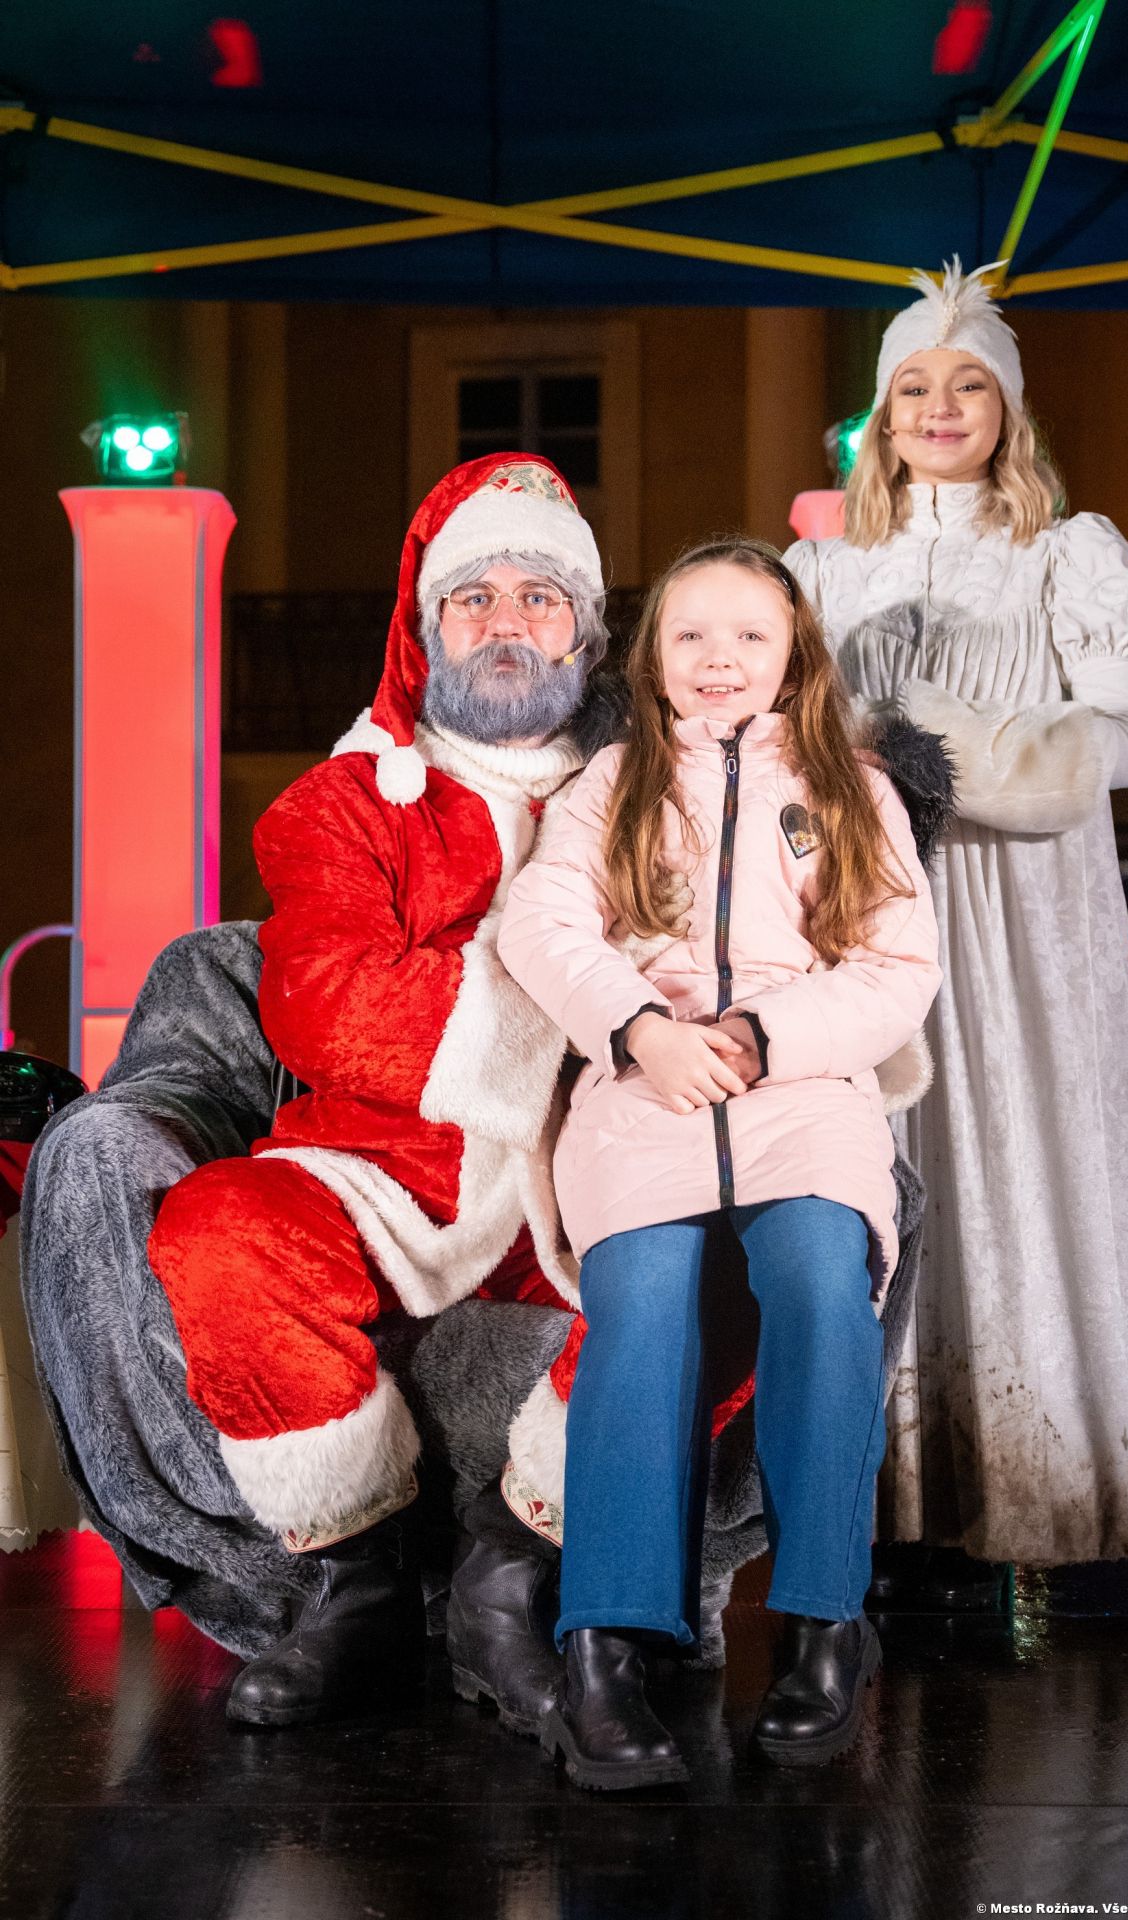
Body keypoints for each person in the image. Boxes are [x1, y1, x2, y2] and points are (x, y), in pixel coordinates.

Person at [144, 451, 618, 1729]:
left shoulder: (655, 799)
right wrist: (586, 1010)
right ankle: (354, 1582)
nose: (506, 622)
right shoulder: (339, 806)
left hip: (592, 1164)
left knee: (733, 1259)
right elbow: (327, 1000)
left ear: (585, 632)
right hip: (383, 1169)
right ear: (423, 633)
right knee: (218, 1231)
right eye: (474, 598)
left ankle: (510, 1571)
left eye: (539, 596)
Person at [784, 260, 1128, 1590]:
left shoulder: (1068, 557)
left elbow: (1117, 743)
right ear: (880, 413)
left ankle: (1046, 1489)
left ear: (1009, 411)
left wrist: (937, 739)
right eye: (913, 385)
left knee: (1026, 1153)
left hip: (1023, 910)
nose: (939, 406)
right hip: (874, 907)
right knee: (881, 1172)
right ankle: (889, 1500)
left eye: (968, 384)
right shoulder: (823, 573)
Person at [497, 538, 942, 1788]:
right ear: (652, 659)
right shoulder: (611, 781)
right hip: (646, 1086)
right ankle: (606, 1645)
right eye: (689, 634)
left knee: (819, 1280)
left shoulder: (852, 787)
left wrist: (761, 1034)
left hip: (800, 1089)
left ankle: (823, 1620)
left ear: (792, 656)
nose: (717, 659)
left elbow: (896, 967)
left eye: (748, 634)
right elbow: (542, 920)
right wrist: (640, 1029)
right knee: (640, 1303)